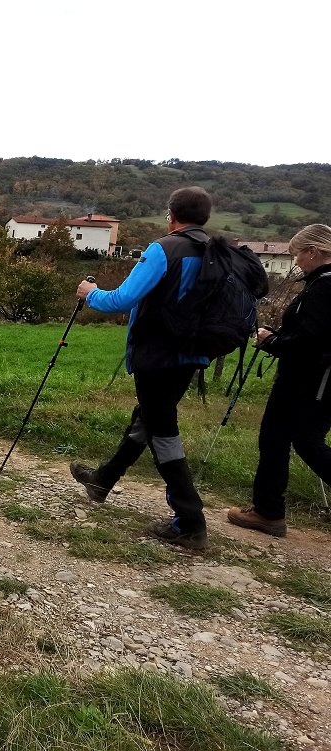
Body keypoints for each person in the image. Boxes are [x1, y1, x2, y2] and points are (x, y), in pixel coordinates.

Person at [71, 186, 214, 551]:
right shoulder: (216, 252)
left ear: (171, 214)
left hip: (157, 355)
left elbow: (123, 299)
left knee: (162, 429)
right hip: (193, 355)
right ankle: (103, 478)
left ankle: (190, 520)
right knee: (149, 418)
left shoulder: (164, 249)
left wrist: (90, 293)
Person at [228, 224, 331, 537]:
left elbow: (311, 339)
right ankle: (267, 509)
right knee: (292, 439)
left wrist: (270, 342)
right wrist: (279, 336)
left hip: (307, 381)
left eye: (297, 253)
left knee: (290, 439)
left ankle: (267, 512)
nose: (296, 260)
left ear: (313, 251)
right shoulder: (320, 284)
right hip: (315, 379)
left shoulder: (324, 287)